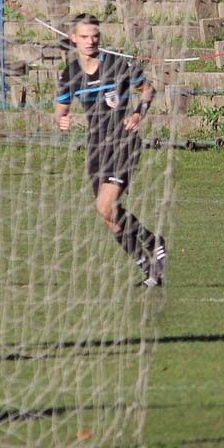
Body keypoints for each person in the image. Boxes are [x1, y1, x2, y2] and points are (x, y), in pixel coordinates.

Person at [54, 14, 167, 287]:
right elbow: (60, 109)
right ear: (74, 39)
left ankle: (154, 242)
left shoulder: (117, 64)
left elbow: (148, 90)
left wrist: (139, 113)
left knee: (105, 205)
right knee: (108, 216)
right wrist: (62, 119)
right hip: (95, 146)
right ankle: (148, 268)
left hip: (123, 143)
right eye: (84, 36)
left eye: (95, 36)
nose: (91, 41)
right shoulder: (71, 73)